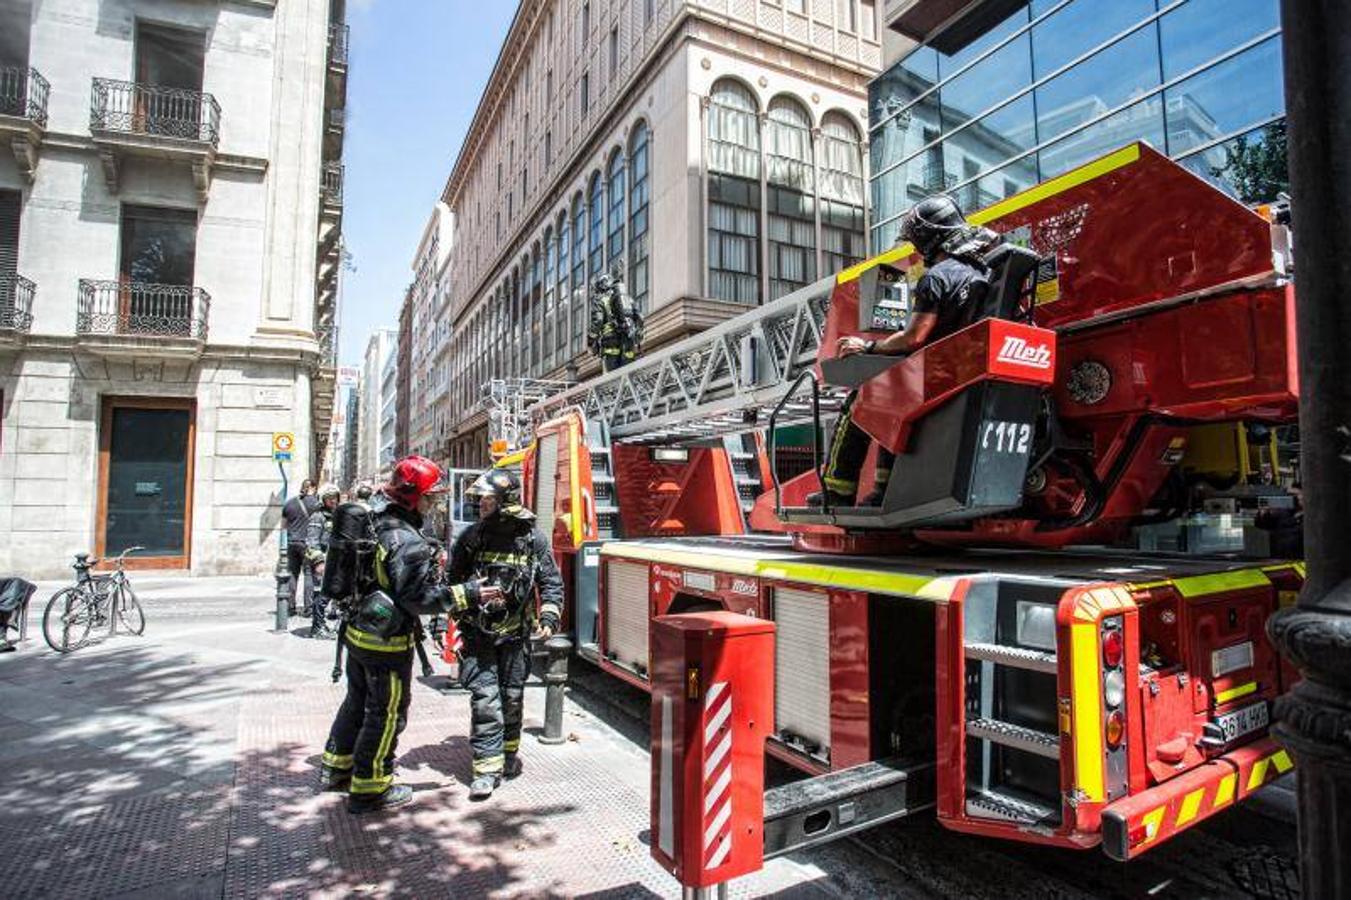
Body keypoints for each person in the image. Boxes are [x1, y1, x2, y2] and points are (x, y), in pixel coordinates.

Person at [319, 456, 504, 814]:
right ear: (412, 496)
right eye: (430, 496)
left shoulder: (377, 520)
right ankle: (371, 788)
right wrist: (469, 593)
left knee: (356, 702)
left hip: (358, 632)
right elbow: (418, 598)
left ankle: (336, 768)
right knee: (387, 713)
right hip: (385, 643)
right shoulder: (406, 539)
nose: (434, 504)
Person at [808, 194, 1000, 508]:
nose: (914, 249)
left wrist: (868, 345)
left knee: (859, 402)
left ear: (928, 239)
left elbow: (913, 337)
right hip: (959, 374)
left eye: (916, 242)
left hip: (932, 377)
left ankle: (836, 491)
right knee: (890, 405)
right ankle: (884, 491)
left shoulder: (935, 279)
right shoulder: (980, 274)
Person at [447, 468, 564, 800]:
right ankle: (485, 770)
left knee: (511, 698)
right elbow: (452, 581)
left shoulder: (532, 539)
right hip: (479, 635)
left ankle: (508, 756)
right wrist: (465, 601)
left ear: (505, 501)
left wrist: (549, 617)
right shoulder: (471, 538)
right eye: (481, 499)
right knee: (486, 700)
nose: (481, 505)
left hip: (516, 637)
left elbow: (551, 583)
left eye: (487, 499)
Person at [587, 267, 643, 372]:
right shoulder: (627, 299)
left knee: (613, 380)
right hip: (628, 341)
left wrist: (590, 340)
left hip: (610, 343)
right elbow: (640, 317)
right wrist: (637, 334)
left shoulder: (600, 300)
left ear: (600, 287)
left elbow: (598, 320)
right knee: (628, 376)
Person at [305, 484, 341, 638]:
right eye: (329, 498)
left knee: (328, 594)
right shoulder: (317, 517)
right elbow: (312, 541)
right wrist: (319, 561)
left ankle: (322, 625)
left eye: (335, 497)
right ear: (323, 499)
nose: (333, 501)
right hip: (323, 562)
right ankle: (317, 628)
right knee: (321, 594)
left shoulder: (334, 515)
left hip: (333, 561)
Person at [282, 479, 321, 616]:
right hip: (307, 543)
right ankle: (309, 608)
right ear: (313, 488)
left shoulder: (290, 503)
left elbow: (284, 526)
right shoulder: (316, 504)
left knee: (292, 574)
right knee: (309, 574)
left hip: (292, 542)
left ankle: (290, 607)